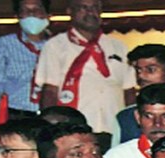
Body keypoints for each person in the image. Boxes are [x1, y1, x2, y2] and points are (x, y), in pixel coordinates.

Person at [35, 0, 135, 136]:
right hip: (75, 129)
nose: (90, 12)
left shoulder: (118, 46)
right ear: (70, 11)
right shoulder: (55, 46)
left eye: (95, 7)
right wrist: (52, 130)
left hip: (114, 126)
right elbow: (50, 91)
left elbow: (129, 90)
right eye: (84, 7)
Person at [0, 0, 51, 119]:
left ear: (47, 15)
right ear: (17, 16)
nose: (31, 14)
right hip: (17, 116)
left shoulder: (60, 45)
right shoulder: (4, 45)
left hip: (53, 116)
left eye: (37, 9)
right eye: (25, 10)